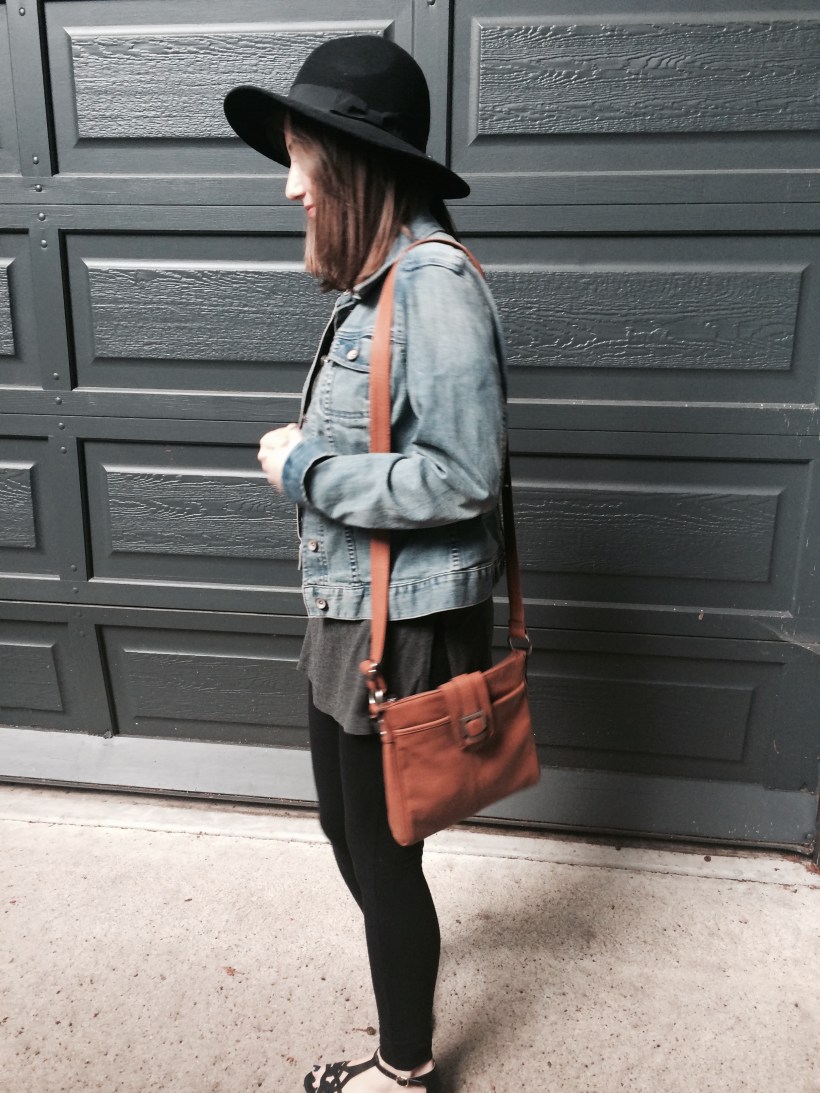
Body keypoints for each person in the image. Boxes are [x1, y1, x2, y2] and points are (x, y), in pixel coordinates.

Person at [224, 34, 507, 1093]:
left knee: (383, 854)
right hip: (350, 605)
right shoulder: (377, 284)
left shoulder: (432, 285)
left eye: (301, 159)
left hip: (404, 619)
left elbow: (460, 477)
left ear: (352, 166)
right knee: (349, 828)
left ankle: (404, 1066)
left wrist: (305, 467)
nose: (291, 186)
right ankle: (408, 980)